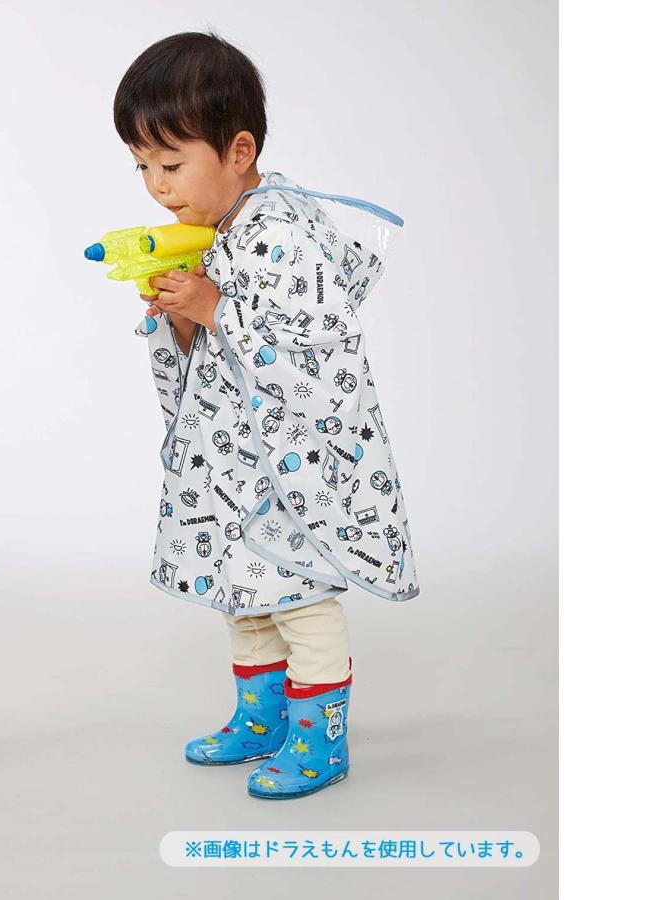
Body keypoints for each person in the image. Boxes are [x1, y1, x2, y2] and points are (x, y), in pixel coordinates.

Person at [112, 31, 420, 799]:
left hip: (291, 468)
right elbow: (205, 360)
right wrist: (181, 315)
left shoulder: (281, 232)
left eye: (171, 164)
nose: (157, 187)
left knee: (299, 599)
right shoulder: (211, 236)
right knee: (241, 590)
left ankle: (320, 738)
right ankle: (263, 716)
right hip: (233, 469)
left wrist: (216, 306)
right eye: (142, 167)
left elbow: (318, 352)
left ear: (239, 149)